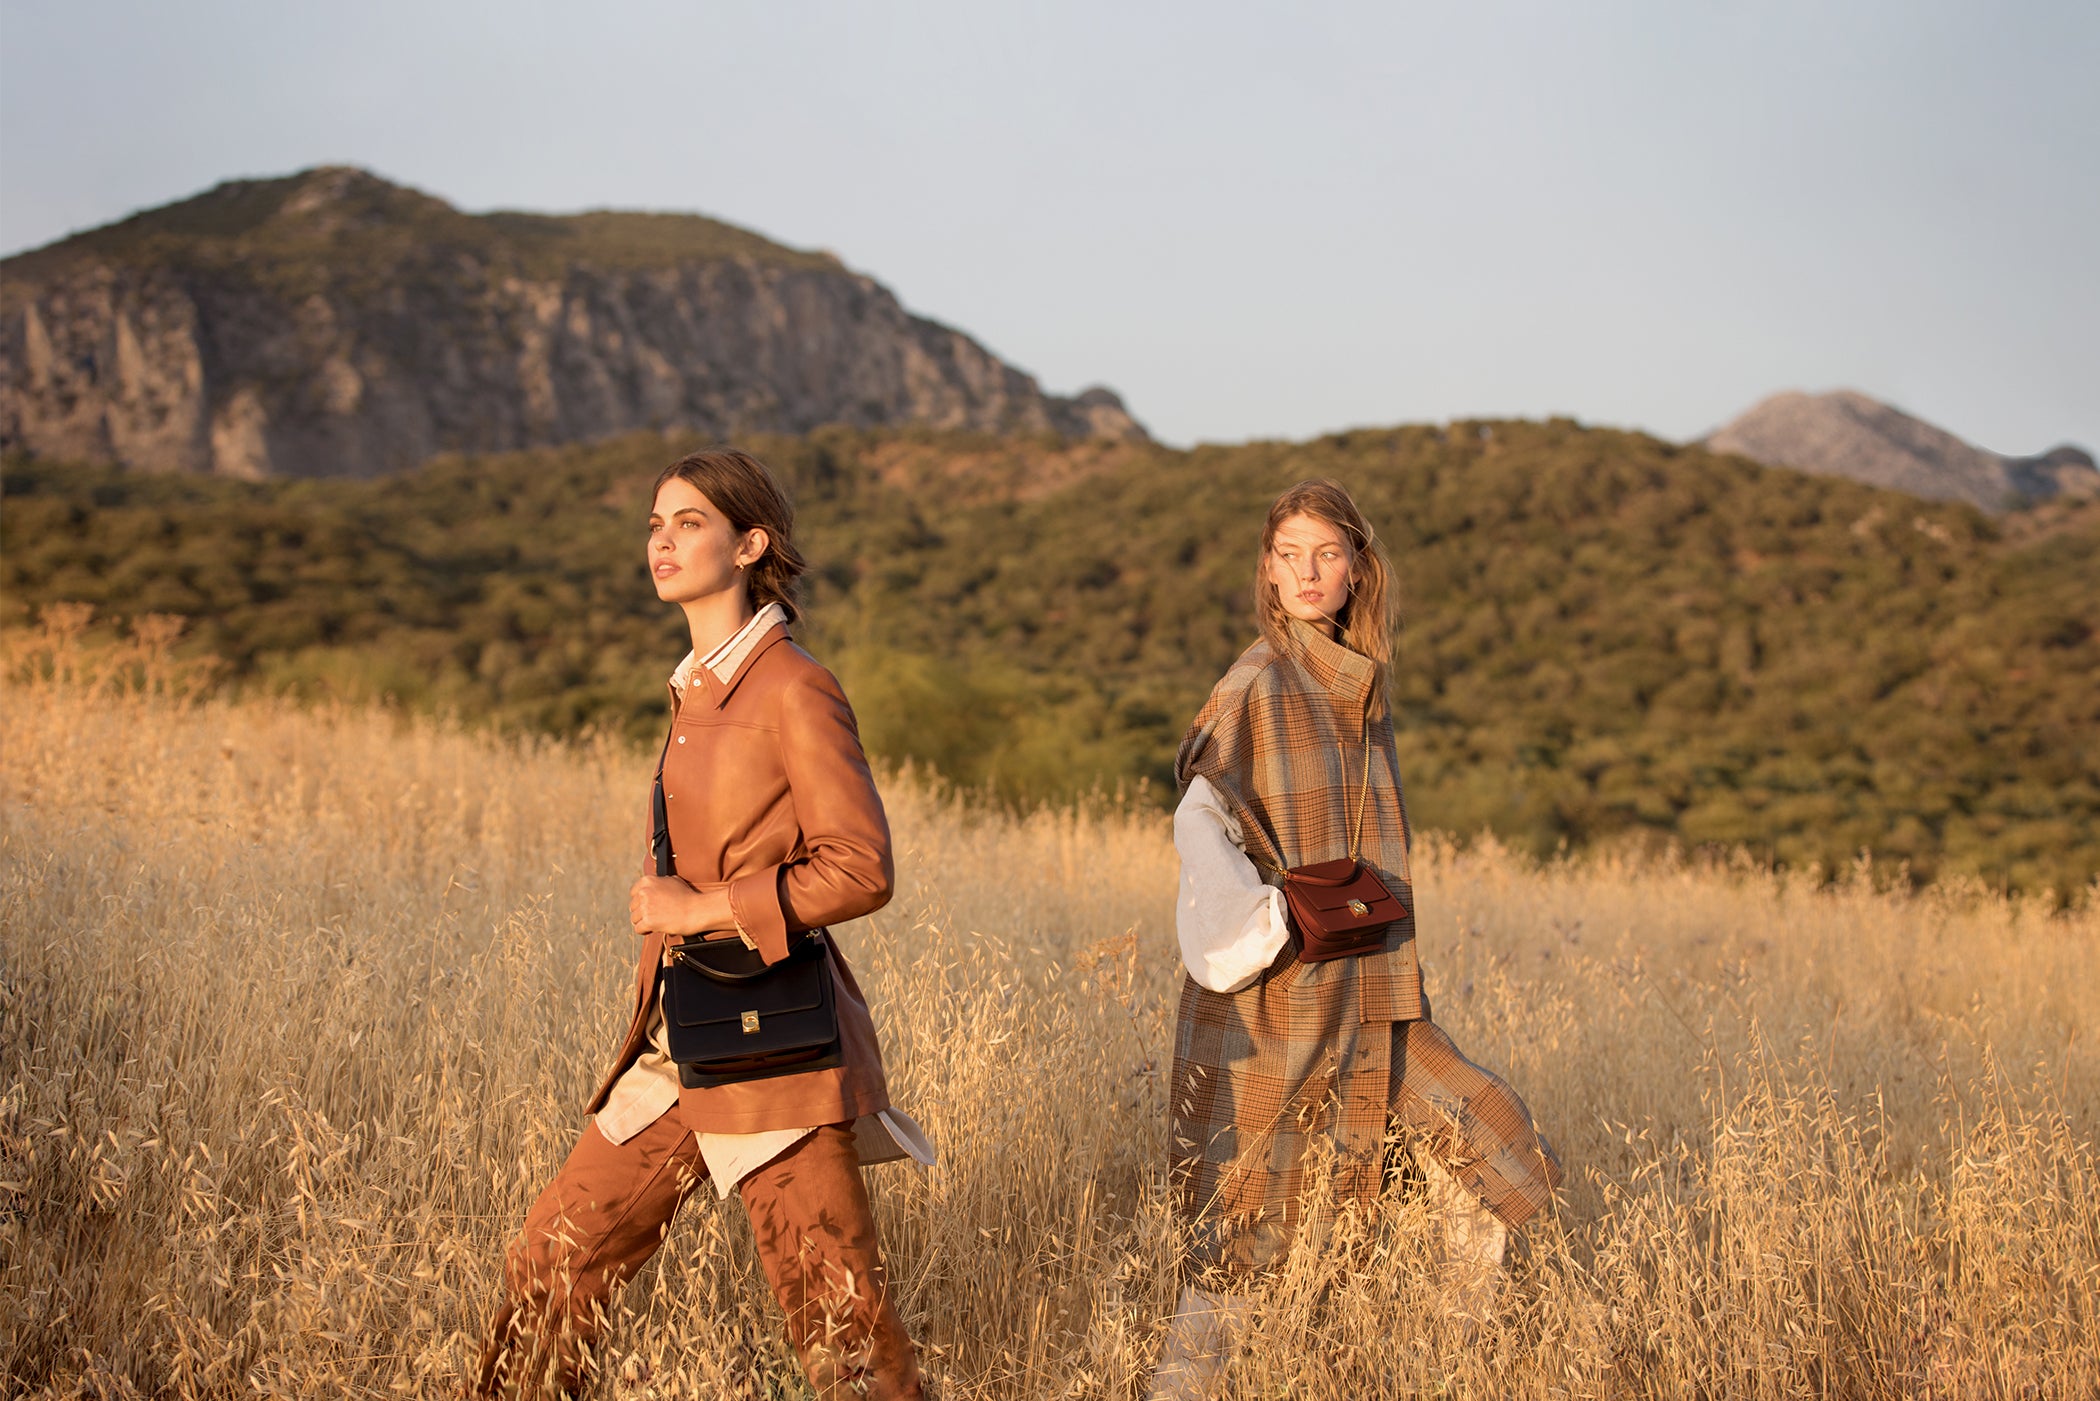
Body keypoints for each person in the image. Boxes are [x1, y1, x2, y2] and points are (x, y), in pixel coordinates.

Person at [473, 449, 933, 1399]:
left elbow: (862, 867)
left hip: (775, 1050)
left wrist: (705, 906)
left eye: (689, 522)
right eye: (655, 523)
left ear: (749, 543)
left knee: (838, 1326)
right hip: (682, 1038)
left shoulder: (791, 686)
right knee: (553, 1262)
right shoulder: (694, 687)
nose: (663, 541)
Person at [1151, 478, 1562, 1396]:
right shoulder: (1257, 678)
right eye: (1290, 552)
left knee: (1494, 1134)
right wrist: (1266, 929)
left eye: (1327, 553)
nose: (1308, 570)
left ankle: (1447, 1357)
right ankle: (1178, 1388)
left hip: (1381, 996)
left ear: (1356, 570)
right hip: (1289, 991)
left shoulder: (1358, 688)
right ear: (1268, 568)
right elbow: (1197, 811)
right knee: (1250, 1219)